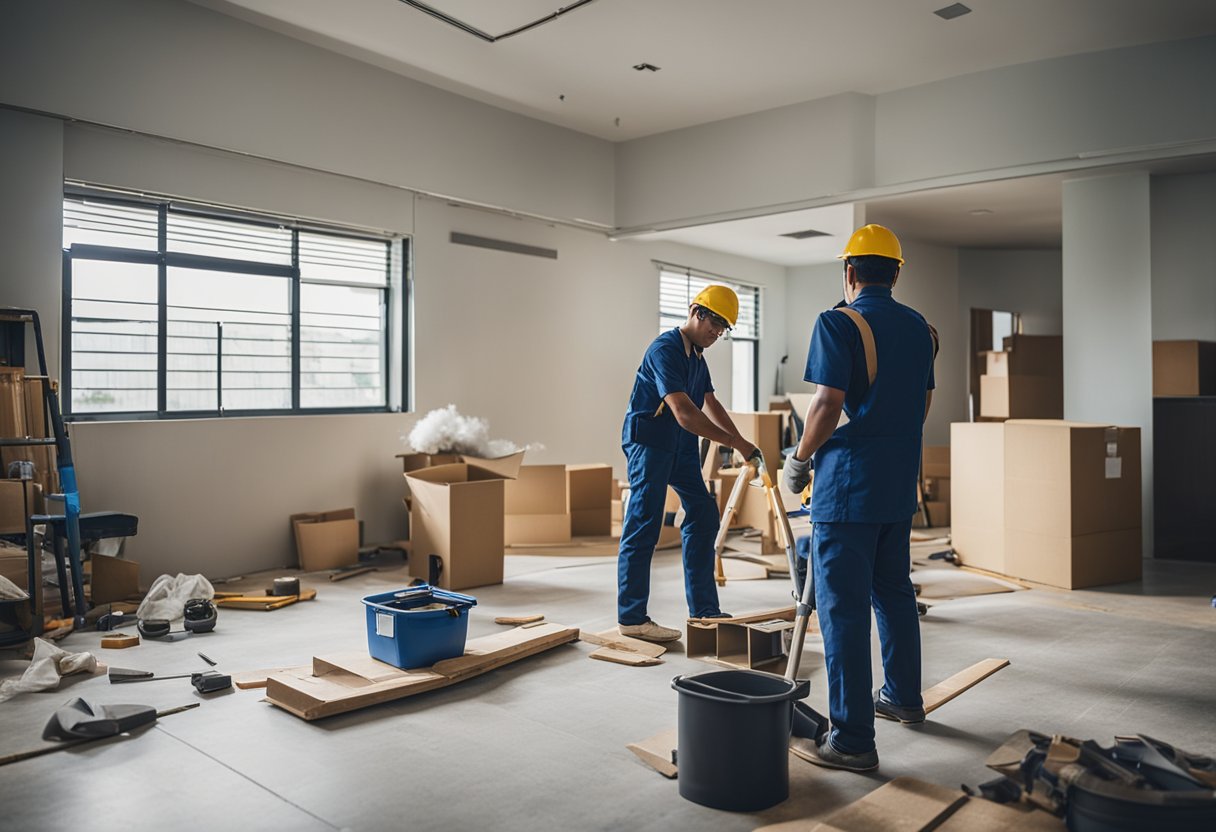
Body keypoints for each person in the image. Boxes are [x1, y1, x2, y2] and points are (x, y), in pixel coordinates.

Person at [783, 224, 937, 772]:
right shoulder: (922, 329)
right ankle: (903, 697)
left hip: (847, 487)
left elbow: (826, 404)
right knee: (894, 592)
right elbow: (920, 406)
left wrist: (799, 461)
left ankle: (851, 740)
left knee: (843, 609)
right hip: (897, 485)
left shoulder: (838, 322)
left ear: (849, 271)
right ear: (896, 273)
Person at [617, 285, 759, 643]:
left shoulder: (697, 356)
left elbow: (710, 402)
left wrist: (740, 442)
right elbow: (683, 412)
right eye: (715, 323)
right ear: (697, 312)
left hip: (678, 446)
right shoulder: (665, 349)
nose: (717, 332)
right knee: (644, 523)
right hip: (649, 442)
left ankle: (704, 610)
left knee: (703, 513)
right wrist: (733, 442)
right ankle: (632, 617)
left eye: (724, 328)